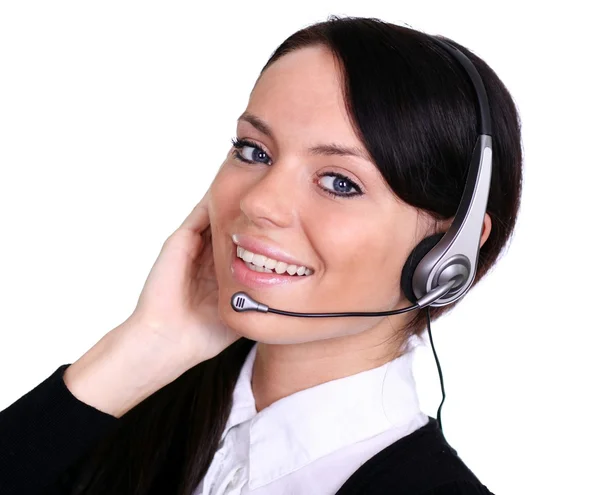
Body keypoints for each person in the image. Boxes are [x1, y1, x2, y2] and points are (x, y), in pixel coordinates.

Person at [0, 15, 522, 495]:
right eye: (254, 151)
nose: (257, 202)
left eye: (339, 182)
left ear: (448, 254)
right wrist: (141, 350)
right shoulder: (117, 407)